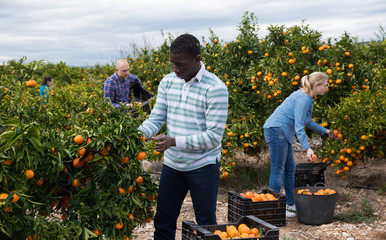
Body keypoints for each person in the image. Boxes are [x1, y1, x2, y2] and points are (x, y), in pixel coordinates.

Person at [138, 34, 229, 239]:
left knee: (205, 224)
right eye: (173, 64)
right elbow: (156, 118)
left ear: (197, 60)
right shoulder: (169, 82)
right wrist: (135, 137)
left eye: (180, 64)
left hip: (203, 166)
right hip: (173, 166)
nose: (175, 69)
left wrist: (174, 141)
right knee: (163, 220)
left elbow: (213, 137)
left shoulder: (216, 88)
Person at [263, 72, 338, 218]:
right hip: (276, 129)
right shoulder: (303, 98)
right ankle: (273, 208)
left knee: (290, 169)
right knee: (278, 169)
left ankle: (290, 204)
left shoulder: (307, 98)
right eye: (325, 85)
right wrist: (307, 148)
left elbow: (307, 121)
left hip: (281, 131)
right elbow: (299, 126)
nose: (326, 88)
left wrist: (326, 131)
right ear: (316, 85)